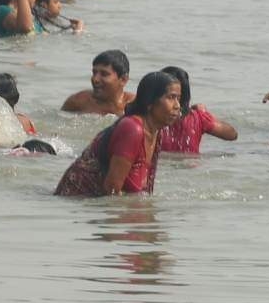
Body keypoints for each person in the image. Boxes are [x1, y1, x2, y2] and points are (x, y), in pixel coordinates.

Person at [54, 71, 183, 196]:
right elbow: (111, 190)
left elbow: (144, 191)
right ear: (150, 102)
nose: (177, 105)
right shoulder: (132, 129)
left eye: (178, 98)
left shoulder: (156, 131)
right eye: (171, 98)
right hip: (78, 204)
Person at [155, 65, 236, 153]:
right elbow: (232, 135)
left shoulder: (152, 116)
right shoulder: (198, 118)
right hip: (190, 163)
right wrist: (207, 115)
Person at [62, 50, 131, 115]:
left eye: (104, 74)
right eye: (94, 73)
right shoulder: (77, 102)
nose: (95, 79)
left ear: (123, 80)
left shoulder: (135, 107)